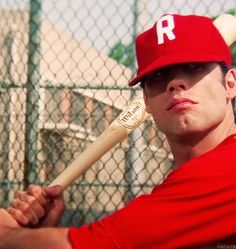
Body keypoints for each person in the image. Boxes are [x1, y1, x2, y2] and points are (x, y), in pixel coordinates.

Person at [1, 13, 236, 249]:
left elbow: (97, 245)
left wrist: (7, 234)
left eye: (193, 67)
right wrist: (43, 234)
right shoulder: (177, 189)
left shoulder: (229, 167)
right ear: (146, 101)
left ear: (229, 84)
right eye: (159, 75)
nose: (174, 84)